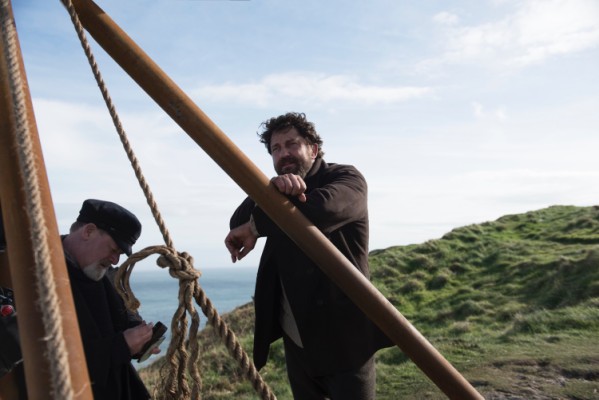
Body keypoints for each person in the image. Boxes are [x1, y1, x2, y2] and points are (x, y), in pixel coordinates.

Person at [224, 112, 392, 399]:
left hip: (345, 338)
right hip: (298, 339)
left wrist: (256, 225)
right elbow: (237, 222)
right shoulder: (276, 193)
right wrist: (272, 188)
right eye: (276, 149)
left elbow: (320, 211)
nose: (284, 154)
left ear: (313, 149)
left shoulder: (346, 178)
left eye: (292, 144)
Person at [62, 199, 158, 399]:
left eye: (120, 254)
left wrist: (141, 340)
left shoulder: (107, 275)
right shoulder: (35, 276)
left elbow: (126, 317)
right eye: (113, 250)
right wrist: (122, 346)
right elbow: (45, 361)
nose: (115, 260)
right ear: (88, 231)